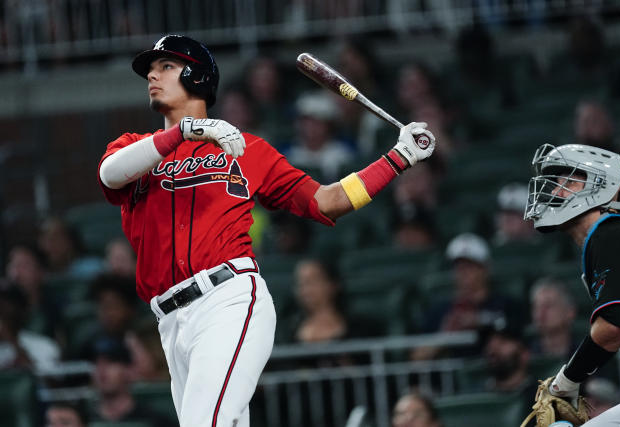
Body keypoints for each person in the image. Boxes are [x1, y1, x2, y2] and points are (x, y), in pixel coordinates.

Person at [96, 34, 435, 427]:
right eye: (150, 71)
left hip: (226, 299)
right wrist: (184, 131)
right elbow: (109, 173)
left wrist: (397, 157)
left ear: (197, 77)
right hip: (170, 320)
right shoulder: (136, 147)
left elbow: (326, 202)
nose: (152, 77)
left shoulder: (247, 149)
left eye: (166, 67)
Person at [524, 143, 620, 425]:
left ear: (602, 185)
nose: (554, 190)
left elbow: (613, 323)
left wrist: (566, 380)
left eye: (568, 181)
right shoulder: (616, 233)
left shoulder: (609, 233)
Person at [89, 337, 176, 427]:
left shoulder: (153, 421)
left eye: (111, 362)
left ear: (129, 369)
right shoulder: (83, 420)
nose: (101, 369)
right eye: (96, 362)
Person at [528, 277, 579, 359]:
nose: (540, 313)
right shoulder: (526, 356)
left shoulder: (584, 356)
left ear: (570, 312)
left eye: (548, 306)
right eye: (537, 306)